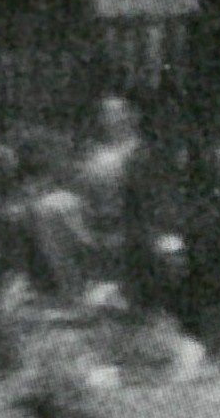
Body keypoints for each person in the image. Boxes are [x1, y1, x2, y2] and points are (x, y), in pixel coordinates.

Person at [0, 133, 125, 418]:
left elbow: (76, 253)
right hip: (49, 310)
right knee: (37, 393)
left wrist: (82, 299)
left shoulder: (55, 205)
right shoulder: (35, 205)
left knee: (74, 392)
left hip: (64, 313)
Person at [78, 91, 207, 382]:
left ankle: (173, 355)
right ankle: (119, 360)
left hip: (136, 239)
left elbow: (156, 200)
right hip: (104, 239)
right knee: (110, 300)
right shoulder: (94, 156)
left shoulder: (142, 154)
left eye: (119, 112)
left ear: (130, 117)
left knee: (141, 300)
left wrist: (166, 237)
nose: (113, 119)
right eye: (107, 113)